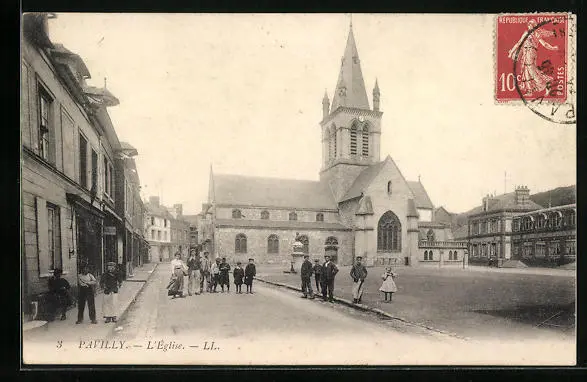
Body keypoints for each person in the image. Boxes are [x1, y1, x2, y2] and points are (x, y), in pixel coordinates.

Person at [507, 19, 559, 97]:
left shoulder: (537, 34)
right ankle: (529, 90)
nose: (530, 26)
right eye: (529, 25)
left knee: (531, 70)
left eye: (531, 25)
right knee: (526, 70)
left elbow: (544, 44)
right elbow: (519, 43)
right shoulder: (526, 33)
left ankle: (545, 84)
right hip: (525, 53)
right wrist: (511, 52)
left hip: (531, 53)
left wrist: (553, 48)